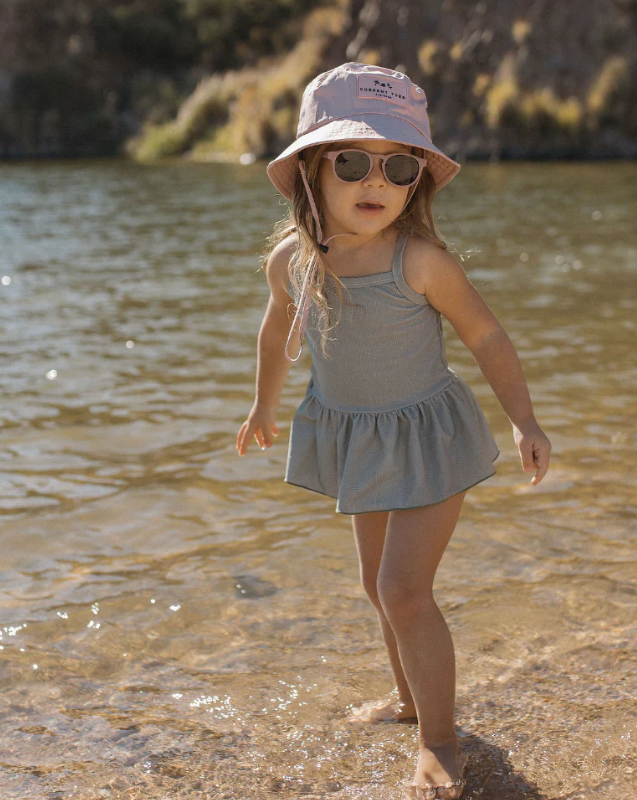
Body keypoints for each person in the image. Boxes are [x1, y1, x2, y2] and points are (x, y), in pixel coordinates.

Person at [236, 62, 551, 800]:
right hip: (359, 437)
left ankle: (440, 742)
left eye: (398, 167)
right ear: (312, 171)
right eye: (351, 163)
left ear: (416, 183)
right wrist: (262, 406)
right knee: (377, 588)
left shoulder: (421, 263)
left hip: (427, 436)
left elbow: (487, 337)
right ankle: (411, 702)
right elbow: (276, 330)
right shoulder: (293, 262)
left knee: (404, 590)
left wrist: (524, 420)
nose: (374, 181)